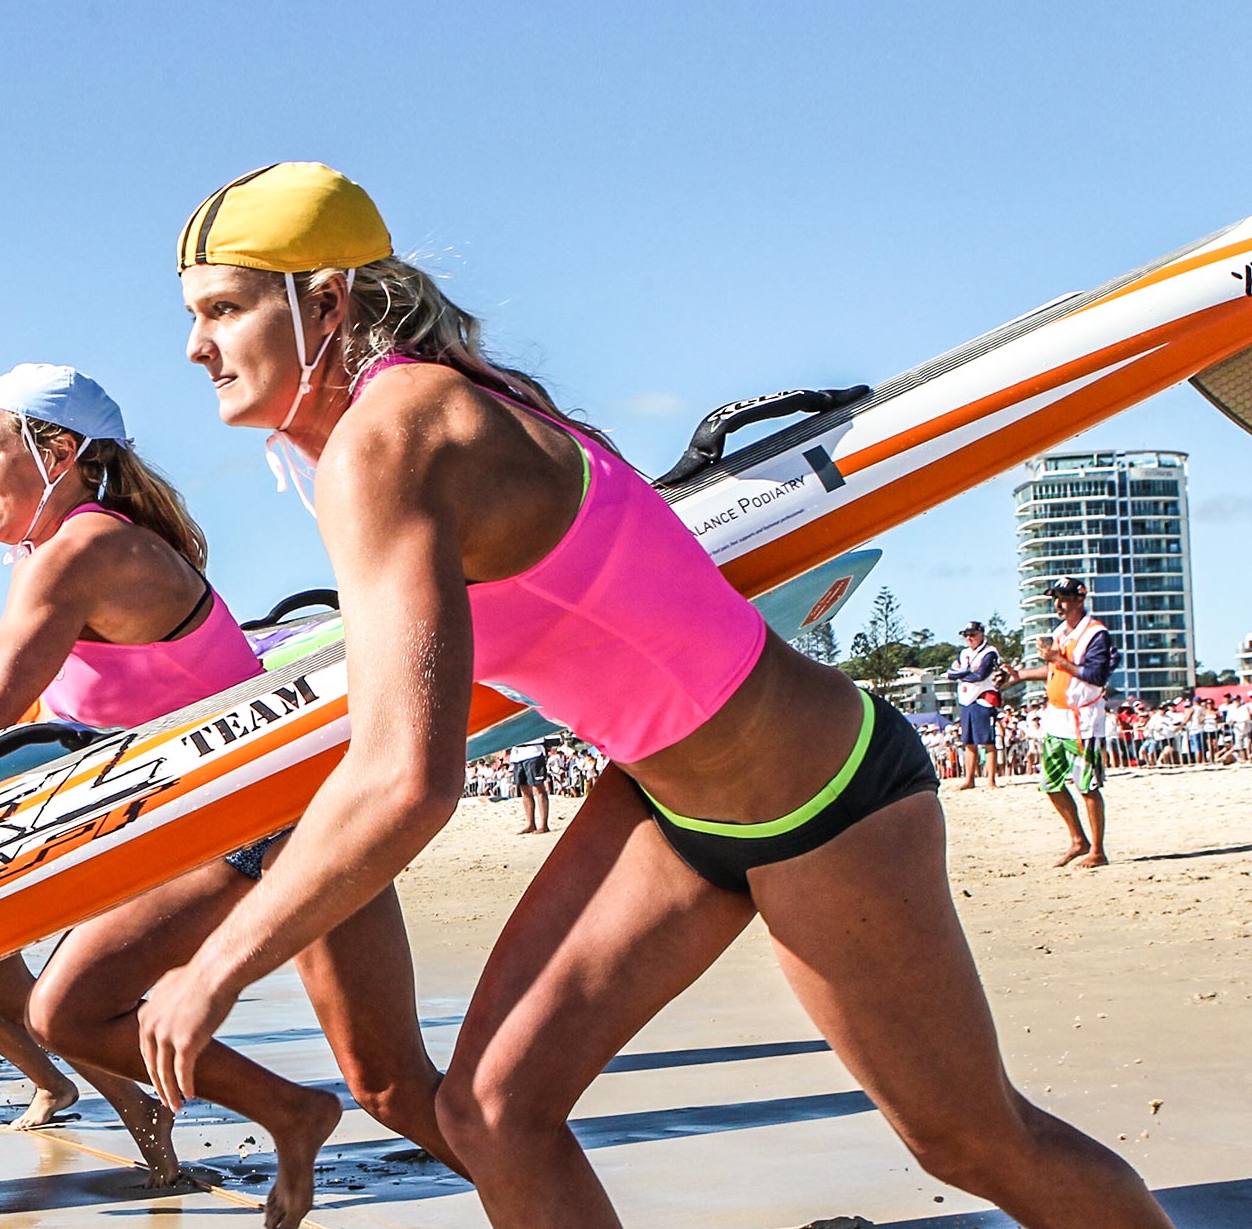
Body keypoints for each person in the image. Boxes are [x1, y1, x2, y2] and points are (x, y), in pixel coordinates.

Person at [135, 162, 1166, 1229]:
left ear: (325, 305)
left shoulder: (392, 439)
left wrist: (214, 965)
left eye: (221, 309)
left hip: (819, 801)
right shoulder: (436, 409)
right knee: (491, 1114)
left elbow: (405, 781)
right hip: (666, 803)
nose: (194, 346)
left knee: (967, 1138)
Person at [0, 364, 452, 1214]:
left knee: (82, 1015)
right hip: (273, 819)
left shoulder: (85, 548)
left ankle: (315, 1117)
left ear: (58, 450)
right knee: (389, 1083)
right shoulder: (68, 550)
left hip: (274, 827)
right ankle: (295, 1114)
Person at [1006, 577, 1119, 868]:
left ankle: (1098, 850)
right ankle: (1078, 840)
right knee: (1050, 783)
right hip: (1057, 717)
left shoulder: (1096, 634)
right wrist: (1019, 676)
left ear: (1080, 600)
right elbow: (1053, 670)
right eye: (1055, 598)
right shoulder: (1061, 632)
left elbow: (1096, 675)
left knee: (1088, 785)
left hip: (1084, 720)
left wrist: (1059, 659)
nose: (1058, 604)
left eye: (1064, 598)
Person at [507, 737, 551, 832]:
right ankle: (530, 824)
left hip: (534, 752)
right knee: (524, 790)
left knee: (539, 789)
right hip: (517, 754)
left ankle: (544, 825)